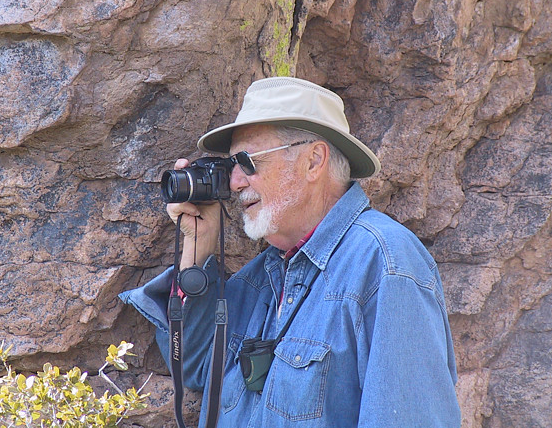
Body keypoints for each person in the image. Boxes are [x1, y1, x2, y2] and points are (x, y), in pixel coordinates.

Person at [120, 77, 461, 427]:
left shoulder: (385, 263)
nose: (236, 182)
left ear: (314, 160)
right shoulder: (263, 276)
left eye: (248, 161)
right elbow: (194, 366)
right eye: (231, 166)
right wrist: (198, 242)